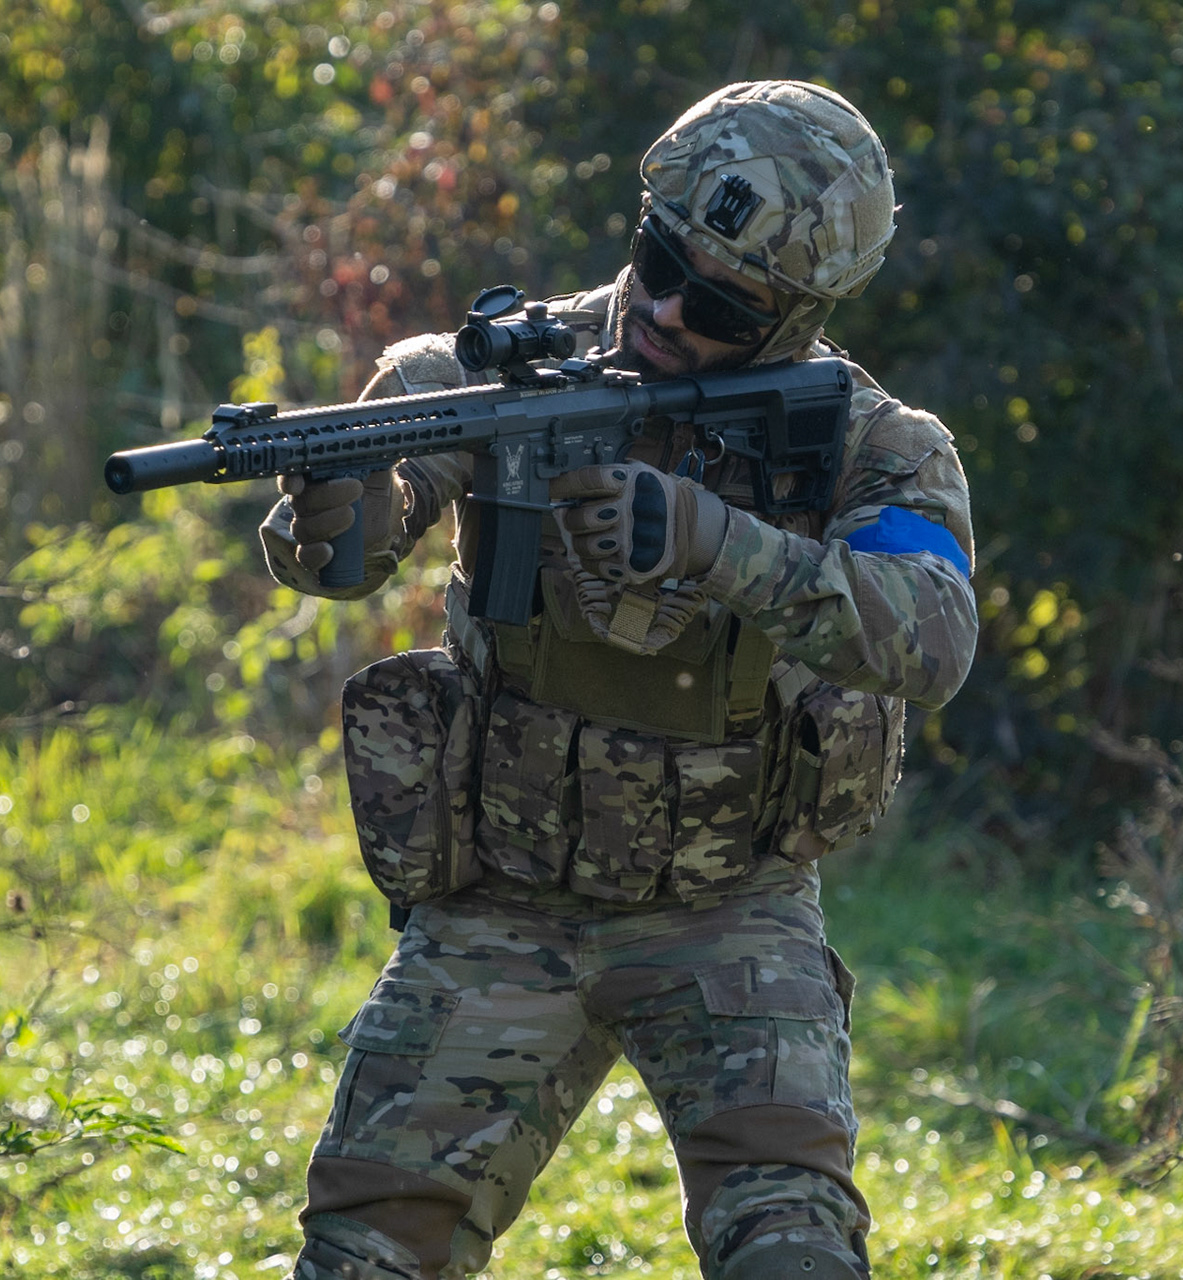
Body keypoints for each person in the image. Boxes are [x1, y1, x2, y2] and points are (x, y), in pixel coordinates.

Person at [259, 81, 977, 1280]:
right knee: (366, 1251)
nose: (668, 307)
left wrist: (717, 543)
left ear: (801, 315)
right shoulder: (489, 378)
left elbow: (933, 639)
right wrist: (335, 502)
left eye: (724, 304)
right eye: (661, 260)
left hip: (730, 909)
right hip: (501, 899)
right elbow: (348, 555)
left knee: (791, 1244)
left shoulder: (873, 442)